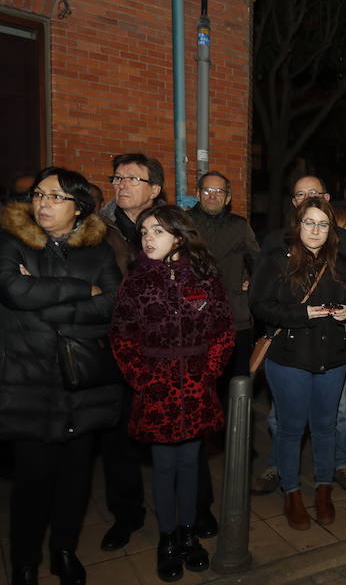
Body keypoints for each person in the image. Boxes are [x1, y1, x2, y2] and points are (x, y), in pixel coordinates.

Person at [0, 167, 123, 585]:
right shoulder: (11, 241)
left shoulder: (99, 252)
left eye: (55, 197)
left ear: (79, 207)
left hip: (81, 383)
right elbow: (13, 291)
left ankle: (64, 550)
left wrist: (42, 296)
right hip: (28, 381)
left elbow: (113, 304)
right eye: (39, 194)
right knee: (31, 480)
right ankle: (24, 561)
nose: (43, 203)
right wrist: (82, 290)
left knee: (75, 478)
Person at [110, 205, 235, 581]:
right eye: (144, 231)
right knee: (164, 466)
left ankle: (188, 534)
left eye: (158, 231)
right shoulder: (135, 281)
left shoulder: (205, 278)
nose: (148, 238)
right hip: (157, 391)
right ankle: (167, 539)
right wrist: (143, 379)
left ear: (179, 237)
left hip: (196, 389)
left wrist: (207, 373)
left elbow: (223, 331)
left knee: (190, 463)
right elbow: (121, 337)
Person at [254, 175, 346, 495]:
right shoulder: (278, 257)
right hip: (289, 356)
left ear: (331, 227)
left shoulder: (341, 260)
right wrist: (303, 314)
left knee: (326, 425)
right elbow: (259, 305)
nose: (316, 230)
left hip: (331, 356)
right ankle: (290, 490)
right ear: (298, 223)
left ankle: (324, 489)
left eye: (323, 224)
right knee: (290, 427)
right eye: (309, 222)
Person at [98, 152, 166, 551]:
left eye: (132, 179)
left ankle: (188, 511)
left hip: (164, 349)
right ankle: (126, 515)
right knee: (117, 438)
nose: (121, 184)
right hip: (115, 347)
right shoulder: (97, 229)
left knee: (172, 432)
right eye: (117, 178)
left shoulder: (172, 226)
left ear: (154, 189)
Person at [187, 171, 260, 536]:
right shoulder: (185, 224)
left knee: (239, 387)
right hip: (197, 324)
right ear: (198, 193)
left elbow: (258, 261)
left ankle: (239, 445)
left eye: (219, 190)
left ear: (228, 196)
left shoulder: (240, 225)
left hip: (236, 321)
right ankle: (201, 446)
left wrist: (253, 283)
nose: (213, 195)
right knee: (203, 392)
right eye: (207, 189)